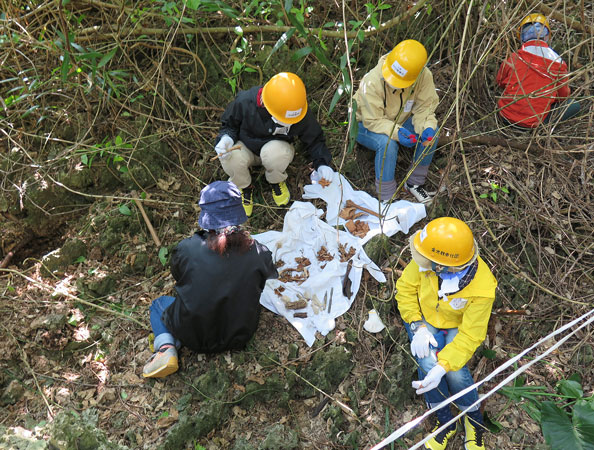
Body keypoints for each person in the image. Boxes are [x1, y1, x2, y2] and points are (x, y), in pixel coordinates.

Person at [143, 181, 278, 378]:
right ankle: (172, 343)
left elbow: (179, 276)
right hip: (240, 334)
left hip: (193, 336)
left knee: (158, 304)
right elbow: (266, 277)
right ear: (239, 215)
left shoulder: (188, 249)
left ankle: (166, 347)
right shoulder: (259, 253)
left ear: (206, 218)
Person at [395, 217, 497, 450]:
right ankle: (444, 422)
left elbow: (471, 335)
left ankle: (473, 420)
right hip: (426, 321)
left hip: (457, 327)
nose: (421, 264)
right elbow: (405, 290)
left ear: (445, 266)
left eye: (429, 262)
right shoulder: (427, 260)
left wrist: (445, 365)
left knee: (455, 372)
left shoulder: (482, 288)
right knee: (427, 365)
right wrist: (416, 326)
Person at [214, 72, 335, 216]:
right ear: (266, 105)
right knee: (230, 157)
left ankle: (276, 181)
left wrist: (322, 163)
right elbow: (229, 125)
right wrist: (226, 139)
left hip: (274, 150)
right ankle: (243, 187)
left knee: (277, 154)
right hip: (245, 148)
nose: (289, 123)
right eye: (283, 119)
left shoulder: (297, 111)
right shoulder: (245, 101)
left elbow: (314, 137)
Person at [354, 39, 440, 204]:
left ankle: (414, 183)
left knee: (432, 133)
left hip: (400, 121)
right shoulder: (372, 81)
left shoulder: (423, 76)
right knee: (387, 143)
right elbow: (372, 120)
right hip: (365, 124)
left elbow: (425, 108)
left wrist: (427, 127)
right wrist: (396, 132)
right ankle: (386, 196)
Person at [496, 13, 581, 128]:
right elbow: (563, 96)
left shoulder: (514, 57)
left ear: (521, 37)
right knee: (574, 105)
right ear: (547, 36)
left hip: (504, 117)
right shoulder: (558, 62)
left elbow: (500, 81)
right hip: (532, 124)